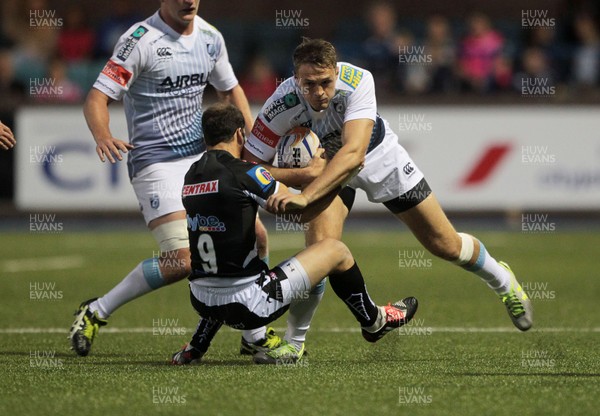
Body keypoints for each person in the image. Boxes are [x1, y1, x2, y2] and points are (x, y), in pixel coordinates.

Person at [242, 38, 533, 363]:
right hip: (323, 172)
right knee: (318, 253)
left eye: (326, 82)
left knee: (445, 244)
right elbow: (249, 166)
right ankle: (294, 345)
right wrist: (290, 184)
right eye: (309, 84)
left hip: (378, 156)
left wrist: (306, 195)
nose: (319, 92)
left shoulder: (358, 81)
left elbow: (353, 156)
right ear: (296, 80)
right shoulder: (280, 105)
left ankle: (502, 279)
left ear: (336, 73)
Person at [69, 0, 273, 357]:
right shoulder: (140, 40)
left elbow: (230, 91)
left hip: (202, 158)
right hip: (156, 162)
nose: (188, 1)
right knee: (181, 261)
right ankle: (96, 310)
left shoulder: (210, 38)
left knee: (255, 235)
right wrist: (103, 135)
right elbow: (97, 99)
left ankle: (254, 334)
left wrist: (252, 141)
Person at [171, 103, 418, 365]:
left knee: (227, 258)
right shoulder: (245, 173)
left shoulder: (192, 176)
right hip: (251, 306)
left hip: (200, 300)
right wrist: (338, 180)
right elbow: (304, 213)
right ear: (240, 135)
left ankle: (196, 346)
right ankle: (372, 321)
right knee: (334, 250)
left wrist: (302, 174)